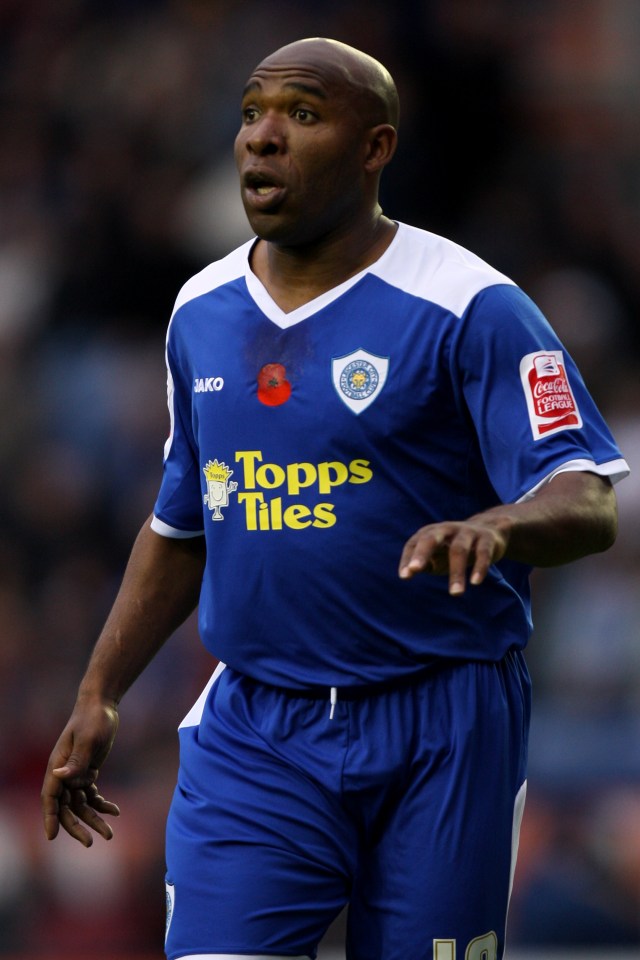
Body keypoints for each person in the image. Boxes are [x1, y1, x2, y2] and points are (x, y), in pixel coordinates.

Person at [41, 37, 628, 960]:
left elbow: (587, 498)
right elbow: (185, 522)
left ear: (375, 148)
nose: (262, 140)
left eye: (302, 115)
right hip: (259, 724)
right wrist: (100, 691)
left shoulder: (472, 304)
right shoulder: (199, 313)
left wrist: (500, 525)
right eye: (251, 113)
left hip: (443, 720)